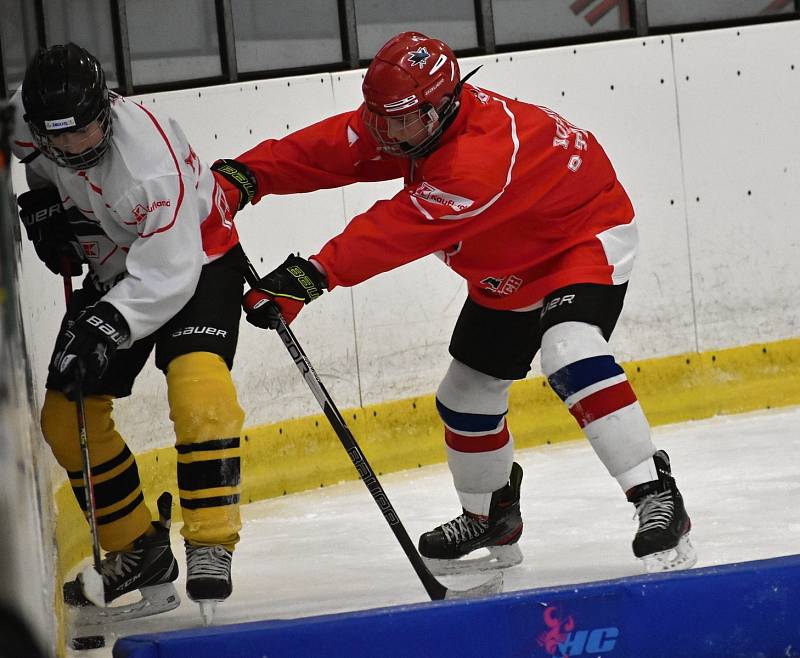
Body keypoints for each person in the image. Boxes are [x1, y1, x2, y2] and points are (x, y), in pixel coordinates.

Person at [213, 31, 696, 575]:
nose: (389, 134)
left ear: (445, 105)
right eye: (381, 117)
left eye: (402, 121)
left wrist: (313, 274)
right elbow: (336, 146)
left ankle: (655, 495)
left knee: (569, 351)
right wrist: (251, 174)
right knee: (466, 396)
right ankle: (490, 515)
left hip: (579, 238)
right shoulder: (411, 116)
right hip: (506, 255)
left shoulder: (477, 162)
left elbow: (396, 229)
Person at [11, 43, 246, 623]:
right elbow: (33, 157)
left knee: (198, 389)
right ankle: (140, 552)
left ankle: (211, 540)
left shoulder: (148, 165)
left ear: (106, 110)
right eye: (57, 138)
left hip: (198, 261)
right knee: (65, 420)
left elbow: (169, 272)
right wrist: (42, 203)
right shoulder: (28, 117)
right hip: (116, 266)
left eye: (86, 131)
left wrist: (107, 325)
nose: (73, 147)